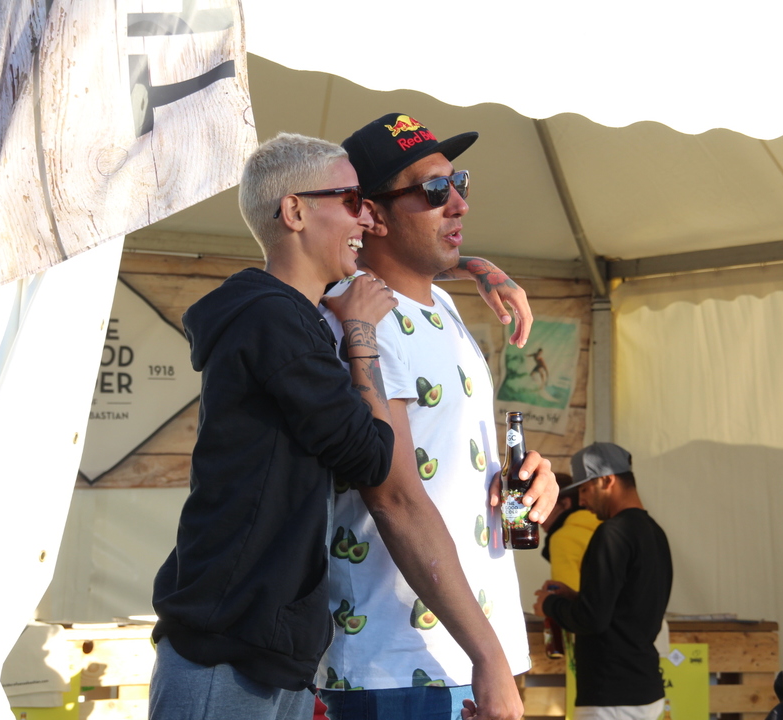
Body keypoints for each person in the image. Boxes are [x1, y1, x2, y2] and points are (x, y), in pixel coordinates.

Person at [149, 133, 400, 720]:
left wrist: (476, 267)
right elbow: (370, 456)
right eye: (352, 200)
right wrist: (361, 334)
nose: (367, 218)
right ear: (294, 211)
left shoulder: (285, 317)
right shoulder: (272, 319)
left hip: (267, 644)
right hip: (229, 643)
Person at [317, 112, 559, 720]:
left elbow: (444, 461)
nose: (458, 203)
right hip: (396, 664)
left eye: (459, 183)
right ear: (370, 215)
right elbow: (395, 497)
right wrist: (489, 657)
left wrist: (526, 482)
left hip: (468, 658)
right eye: (432, 190)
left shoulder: (443, 303)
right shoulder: (357, 319)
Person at [534, 442, 673, 720]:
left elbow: (591, 620)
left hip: (611, 695)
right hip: (645, 688)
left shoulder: (611, 533)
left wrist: (549, 605)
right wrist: (575, 597)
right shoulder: (655, 532)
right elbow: (627, 607)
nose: (582, 501)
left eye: (585, 489)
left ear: (607, 481)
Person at [540, 473, 601, 720]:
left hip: (597, 656)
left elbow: (574, 611)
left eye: (543, 503)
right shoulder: (606, 526)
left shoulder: (563, 537)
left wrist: (548, 605)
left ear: (564, 503)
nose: (536, 515)